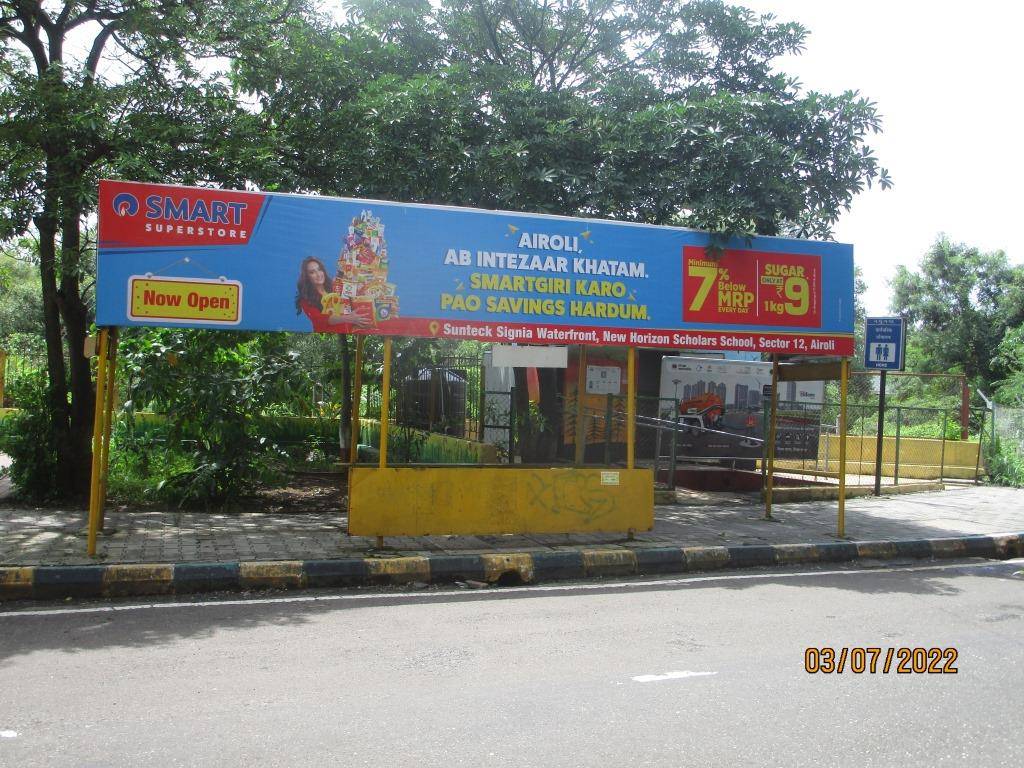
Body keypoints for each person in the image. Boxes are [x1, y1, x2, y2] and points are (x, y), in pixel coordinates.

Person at [294, 256, 369, 333]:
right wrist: (349, 318)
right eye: (312, 272)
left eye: (319, 270)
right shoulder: (305, 300)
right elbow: (324, 320)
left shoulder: (334, 286)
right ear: (307, 277)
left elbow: (351, 296)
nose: (318, 274)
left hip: (352, 329)